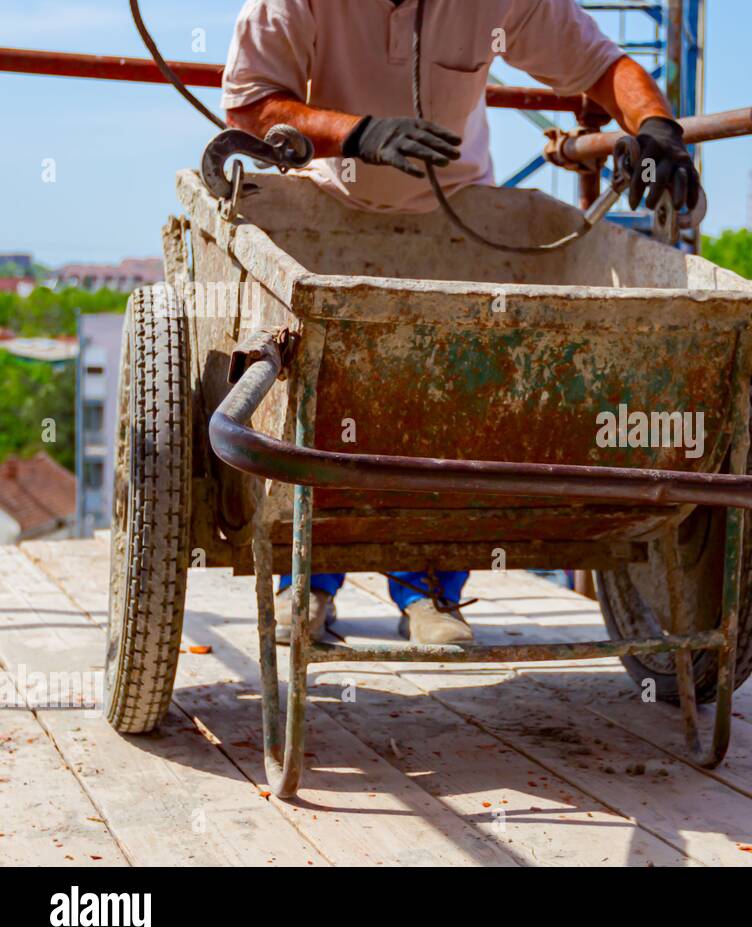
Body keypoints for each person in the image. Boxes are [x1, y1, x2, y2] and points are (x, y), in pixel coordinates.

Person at [221, 0, 700, 646]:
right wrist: (357, 133)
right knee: (326, 398)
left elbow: (600, 64)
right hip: (329, 214)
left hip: (460, 221)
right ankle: (305, 580)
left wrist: (658, 128)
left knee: (451, 401)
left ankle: (430, 592)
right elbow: (250, 106)